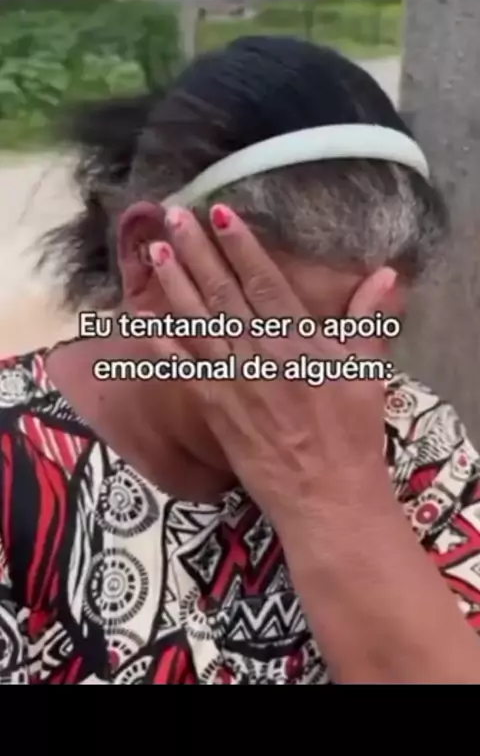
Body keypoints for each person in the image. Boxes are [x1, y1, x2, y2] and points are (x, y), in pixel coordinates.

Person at [1, 36, 480, 686]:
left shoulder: (415, 446)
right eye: (286, 343)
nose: (337, 387)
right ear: (149, 258)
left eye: (371, 337)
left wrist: (340, 500)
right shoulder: (17, 483)